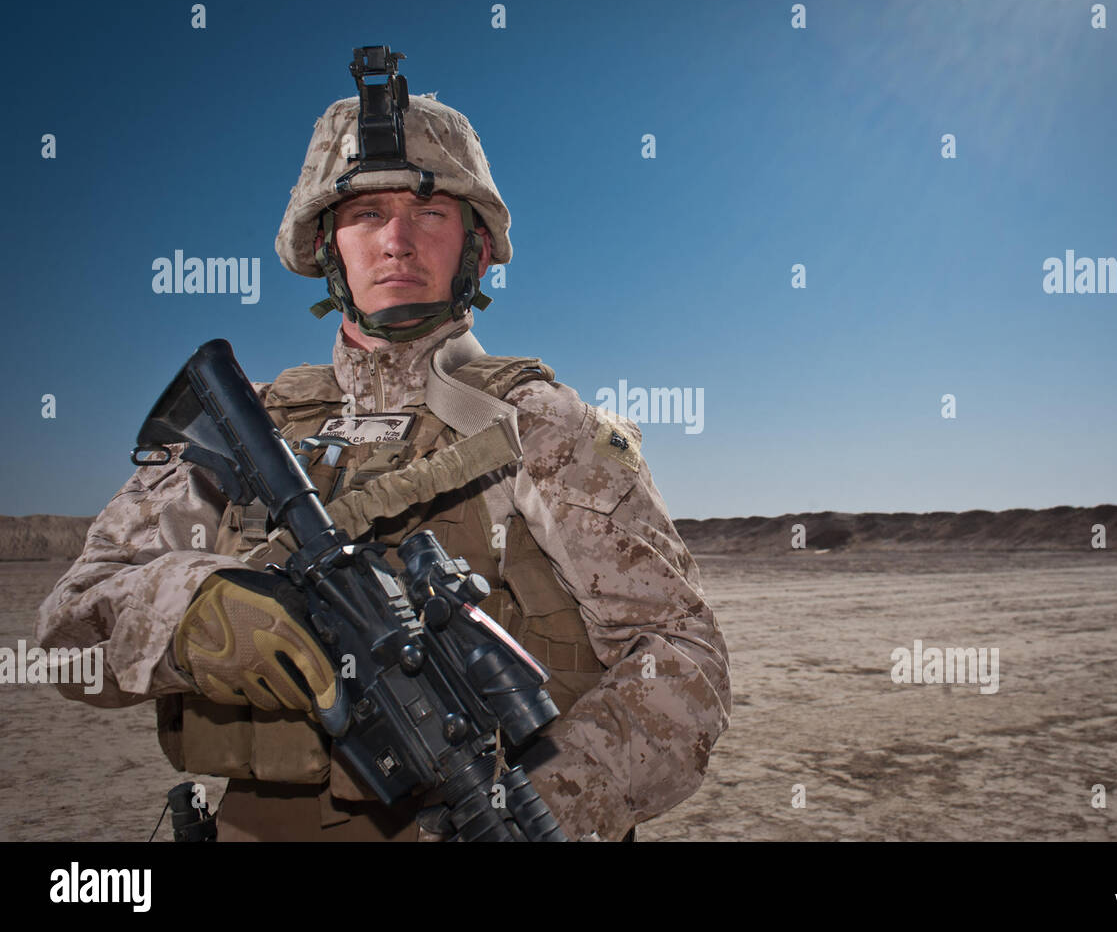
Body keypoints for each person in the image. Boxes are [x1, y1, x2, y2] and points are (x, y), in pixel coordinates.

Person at [34, 47, 731, 842]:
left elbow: (683, 655)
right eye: (367, 215)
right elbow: (67, 632)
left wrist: (545, 806)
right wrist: (191, 608)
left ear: (474, 245)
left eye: (430, 213)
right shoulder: (244, 427)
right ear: (329, 245)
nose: (397, 240)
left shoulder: (543, 425)